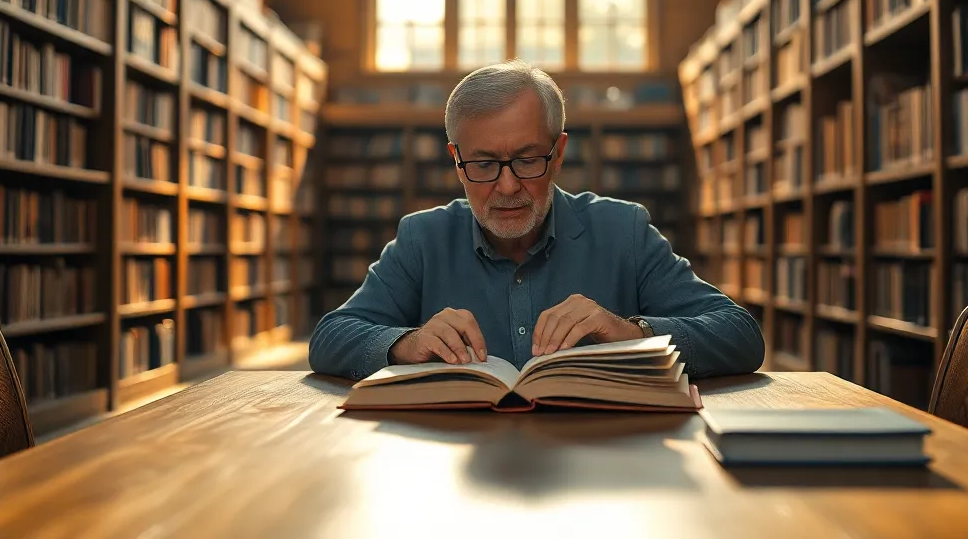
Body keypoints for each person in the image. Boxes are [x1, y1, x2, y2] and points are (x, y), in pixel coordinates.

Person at [308, 60, 765, 382]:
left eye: (528, 160)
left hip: (607, 462)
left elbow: (741, 335)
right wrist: (405, 343)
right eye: (483, 164)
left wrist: (635, 333)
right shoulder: (422, 238)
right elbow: (329, 338)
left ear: (559, 152)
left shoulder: (623, 231)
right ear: (456, 159)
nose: (507, 188)